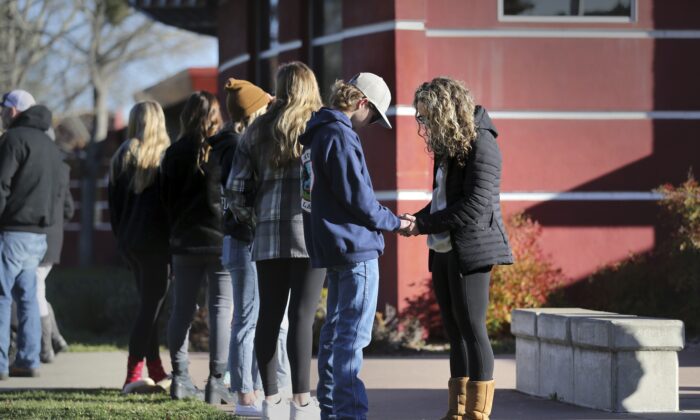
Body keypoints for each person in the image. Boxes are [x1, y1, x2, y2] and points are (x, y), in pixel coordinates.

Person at [401, 77, 514, 420]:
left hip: (472, 249)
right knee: (454, 330)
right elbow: (441, 202)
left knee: (472, 328)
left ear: (445, 110)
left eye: (426, 116)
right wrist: (415, 219)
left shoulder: (482, 143)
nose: (423, 124)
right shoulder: (447, 145)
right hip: (444, 248)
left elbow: (476, 204)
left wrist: (423, 224)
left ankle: (477, 415)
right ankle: (457, 411)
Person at [300, 73, 411, 420]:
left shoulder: (315, 134)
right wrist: (397, 223)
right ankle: (350, 414)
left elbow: (309, 197)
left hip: (331, 247)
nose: (371, 124)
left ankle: (332, 410)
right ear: (362, 102)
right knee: (351, 339)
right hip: (355, 250)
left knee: (334, 333)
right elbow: (360, 200)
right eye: (375, 116)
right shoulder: (340, 136)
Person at [227, 61, 325, 420]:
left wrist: (256, 222)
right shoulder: (319, 126)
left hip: (267, 237)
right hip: (310, 235)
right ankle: (301, 402)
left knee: (268, 315)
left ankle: (272, 401)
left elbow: (235, 192)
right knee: (301, 316)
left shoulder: (256, 131)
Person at [211, 78, 292, 417]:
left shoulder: (230, 141)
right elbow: (240, 195)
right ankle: (246, 392)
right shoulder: (237, 145)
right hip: (246, 241)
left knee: (249, 318)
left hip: (238, 241)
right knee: (249, 319)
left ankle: (251, 387)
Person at [160, 91, 234, 404]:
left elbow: (165, 202)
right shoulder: (224, 150)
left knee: (182, 310)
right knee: (220, 310)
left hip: (183, 243)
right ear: (216, 116)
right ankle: (216, 382)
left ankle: (179, 376)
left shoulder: (174, 152)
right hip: (220, 242)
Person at [108, 101, 172, 394]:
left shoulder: (122, 155)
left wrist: (122, 238)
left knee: (151, 306)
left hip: (131, 243)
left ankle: (156, 369)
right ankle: (133, 373)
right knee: (150, 308)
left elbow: (115, 207)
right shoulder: (164, 156)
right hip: (157, 244)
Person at [0, 95, 64, 379]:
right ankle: (28, 360)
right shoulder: (50, 145)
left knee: (2, 297)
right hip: (39, 236)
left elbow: (1, 183)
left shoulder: (13, 140)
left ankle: (1, 363)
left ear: (12, 111)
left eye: (3, 110)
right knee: (27, 298)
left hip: (12, 231)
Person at [35, 132, 74, 364]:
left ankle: (46, 346)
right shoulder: (61, 167)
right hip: (53, 238)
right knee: (37, 289)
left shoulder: (38, 167)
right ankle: (56, 339)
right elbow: (68, 208)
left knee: (35, 290)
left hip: (37, 235)